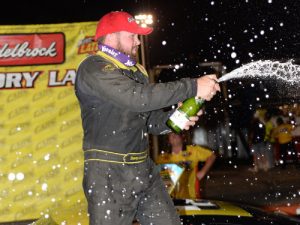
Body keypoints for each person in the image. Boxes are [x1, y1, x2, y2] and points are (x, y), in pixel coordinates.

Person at [74, 11, 220, 225]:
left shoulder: (137, 71)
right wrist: (193, 85)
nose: (138, 42)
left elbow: (149, 121)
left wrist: (177, 118)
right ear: (112, 36)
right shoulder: (93, 67)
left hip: (144, 168)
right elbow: (138, 99)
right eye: (132, 36)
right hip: (108, 172)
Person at [156, 132, 216, 199]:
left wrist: (203, 172)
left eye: (176, 133)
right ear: (168, 140)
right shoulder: (162, 157)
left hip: (191, 195)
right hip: (170, 198)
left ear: (182, 137)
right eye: (171, 134)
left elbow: (211, 156)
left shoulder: (193, 150)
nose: (173, 136)